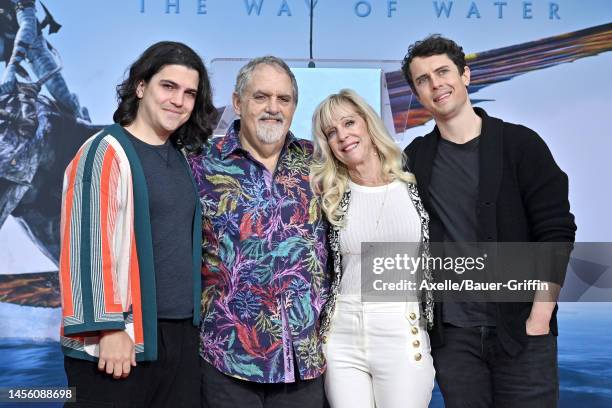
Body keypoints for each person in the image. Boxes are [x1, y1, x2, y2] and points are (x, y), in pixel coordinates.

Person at [401, 35, 576, 407]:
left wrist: (540, 319)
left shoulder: (521, 144)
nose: (436, 84)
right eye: (423, 79)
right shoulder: (415, 158)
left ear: (465, 75)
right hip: (454, 338)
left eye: (443, 71)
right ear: (417, 93)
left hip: (523, 329)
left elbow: (556, 231)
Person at [58, 41, 217, 407]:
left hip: (180, 339)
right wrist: (108, 328)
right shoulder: (104, 151)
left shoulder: (182, 157)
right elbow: (86, 245)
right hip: (121, 340)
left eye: (189, 93)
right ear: (141, 86)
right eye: (169, 86)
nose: (179, 101)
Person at [188, 56, 329, 408]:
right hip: (227, 359)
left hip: (305, 361)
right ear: (238, 102)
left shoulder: (320, 164)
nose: (273, 108)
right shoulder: (200, 163)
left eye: (284, 99)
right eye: (261, 97)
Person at [310, 89, 435, 408]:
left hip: (401, 326)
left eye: (349, 122)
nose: (343, 136)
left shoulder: (415, 182)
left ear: (367, 123)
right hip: (343, 333)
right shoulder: (330, 194)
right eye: (331, 132)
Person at [0, 0, 89, 120]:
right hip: (3, 41)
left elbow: (28, 26)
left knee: (61, 95)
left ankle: (76, 111)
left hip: (32, 42)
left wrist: (11, 67)